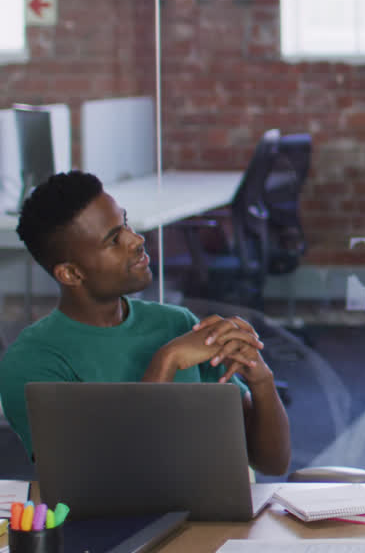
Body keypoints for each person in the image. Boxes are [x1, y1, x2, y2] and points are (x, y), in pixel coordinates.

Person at [0, 170, 290, 475]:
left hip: (211, 518)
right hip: (111, 523)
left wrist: (261, 380)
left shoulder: (176, 323)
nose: (137, 240)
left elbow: (272, 462)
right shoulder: (33, 361)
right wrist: (166, 363)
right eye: (113, 240)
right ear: (71, 274)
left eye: (124, 223)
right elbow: (99, 480)